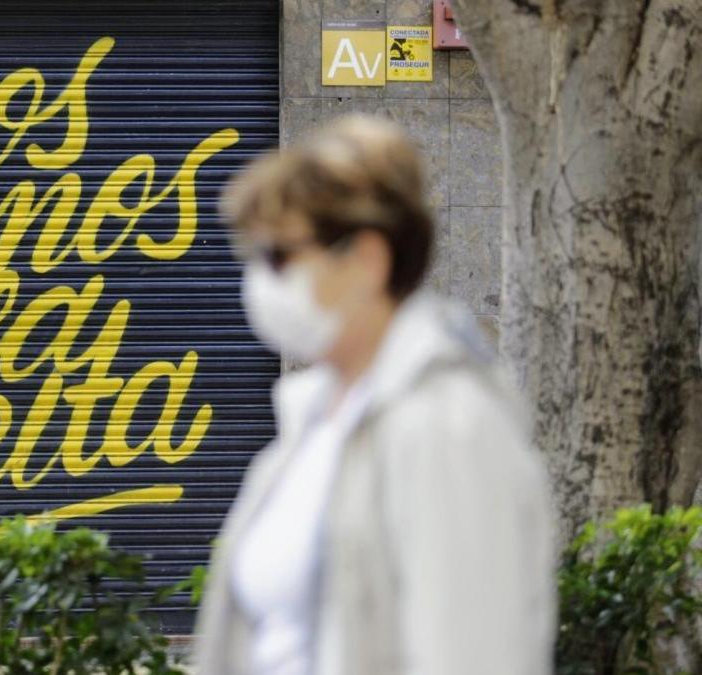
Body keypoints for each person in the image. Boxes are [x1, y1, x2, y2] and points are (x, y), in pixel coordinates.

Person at [193, 115, 557, 675]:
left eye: (279, 257)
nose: (260, 283)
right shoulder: (311, 421)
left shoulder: (448, 426)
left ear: (366, 259)